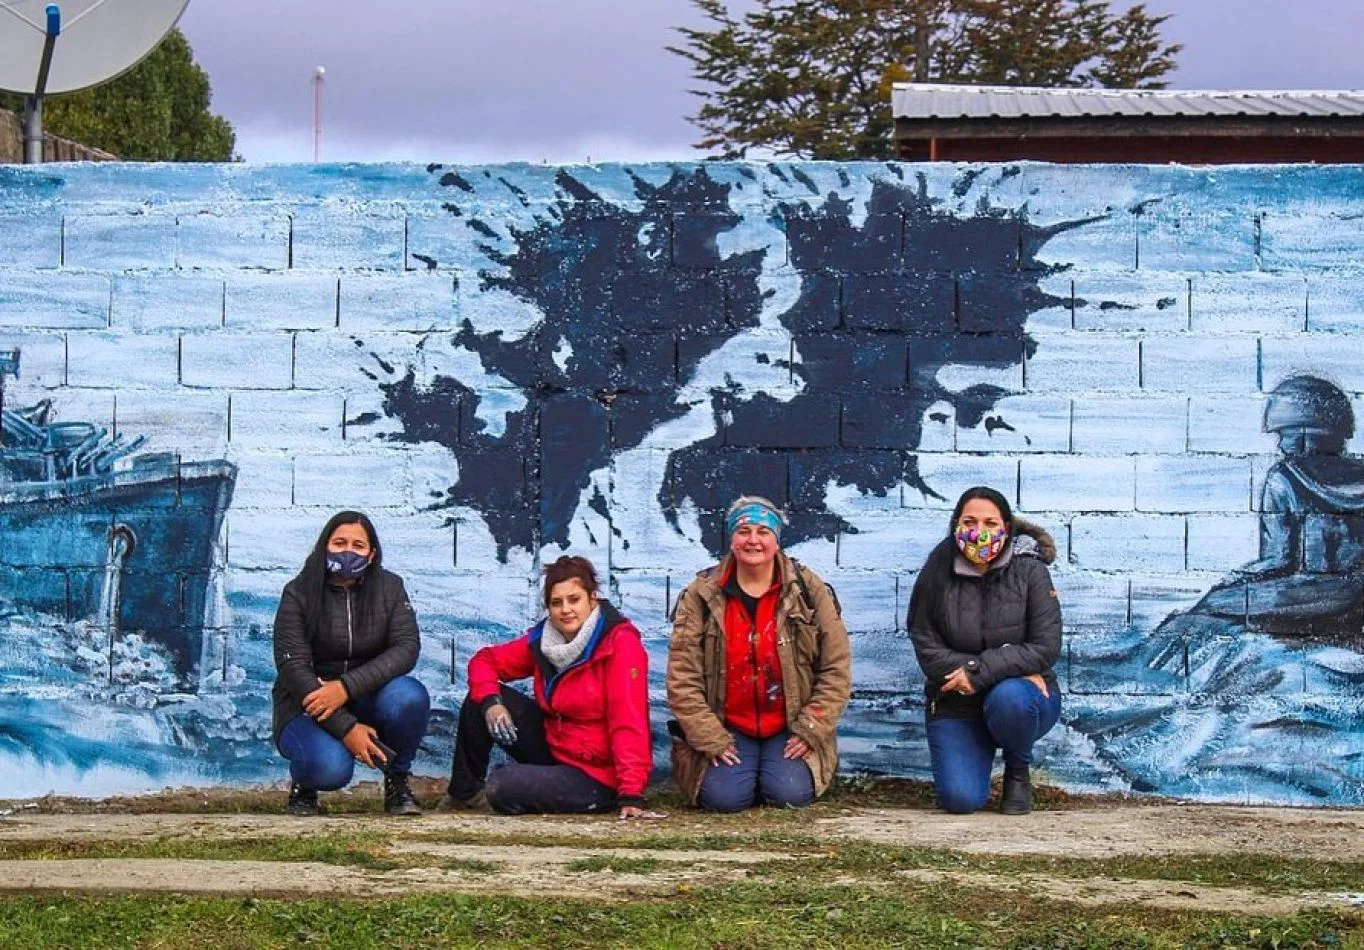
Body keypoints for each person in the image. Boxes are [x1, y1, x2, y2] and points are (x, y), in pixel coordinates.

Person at [667, 496, 852, 812]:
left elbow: (836, 667)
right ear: (731, 538)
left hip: (789, 725)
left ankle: (770, 771)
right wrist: (710, 737)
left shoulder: (808, 589)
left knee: (788, 794)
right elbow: (682, 676)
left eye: (763, 531)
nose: (753, 540)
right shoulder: (701, 594)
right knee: (723, 799)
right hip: (728, 726)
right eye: (744, 530)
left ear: (776, 539)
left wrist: (810, 729)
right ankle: (744, 773)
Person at [439, 555, 652, 817]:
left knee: (502, 786)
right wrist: (491, 704)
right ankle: (464, 794)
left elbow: (629, 720)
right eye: (556, 603)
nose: (566, 610)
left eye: (574, 599)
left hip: (595, 773)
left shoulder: (619, 644)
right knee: (479, 699)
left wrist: (631, 794)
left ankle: (604, 797)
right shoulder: (545, 640)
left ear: (592, 599)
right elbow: (485, 661)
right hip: (556, 747)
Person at [907, 486, 1062, 816]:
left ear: (1006, 527)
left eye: (991, 523)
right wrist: (996, 667)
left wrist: (977, 673)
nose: (980, 532)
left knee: (1010, 698)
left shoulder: (1031, 571)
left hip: (1022, 698)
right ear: (956, 525)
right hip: (955, 702)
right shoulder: (937, 569)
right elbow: (925, 642)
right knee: (960, 800)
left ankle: (1017, 771)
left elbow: (1045, 647)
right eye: (970, 521)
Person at [272, 510, 430, 816]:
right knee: (330, 770)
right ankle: (305, 787)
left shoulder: (391, 588)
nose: (348, 551)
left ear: (371, 555)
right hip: (308, 705)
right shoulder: (298, 592)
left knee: (410, 696)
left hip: (367, 696)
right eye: (339, 542)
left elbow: (406, 648)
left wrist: (345, 688)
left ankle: (397, 781)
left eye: (358, 546)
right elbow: (292, 666)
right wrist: (346, 729)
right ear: (324, 547)